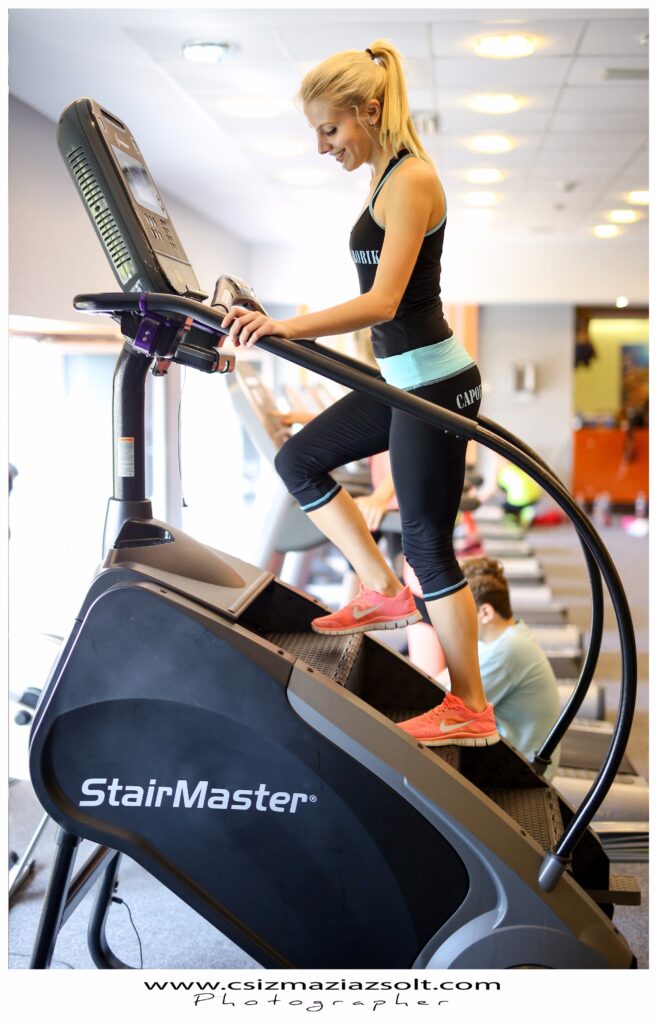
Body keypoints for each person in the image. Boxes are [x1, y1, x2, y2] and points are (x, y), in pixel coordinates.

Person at [222, 40, 498, 747]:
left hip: (435, 384)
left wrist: (285, 326)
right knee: (298, 460)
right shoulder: (381, 179)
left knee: (427, 544)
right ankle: (380, 590)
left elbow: (384, 302)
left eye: (330, 129)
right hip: (404, 381)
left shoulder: (411, 179)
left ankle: (470, 707)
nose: (323, 147)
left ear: (369, 111)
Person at [406, 556, 560, 774]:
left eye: (459, 610)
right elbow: (439, 683)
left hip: (520, 773)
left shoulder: (506, 651)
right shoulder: (503, 639)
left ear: (485, 613)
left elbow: (435, 700)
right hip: (507, 756)